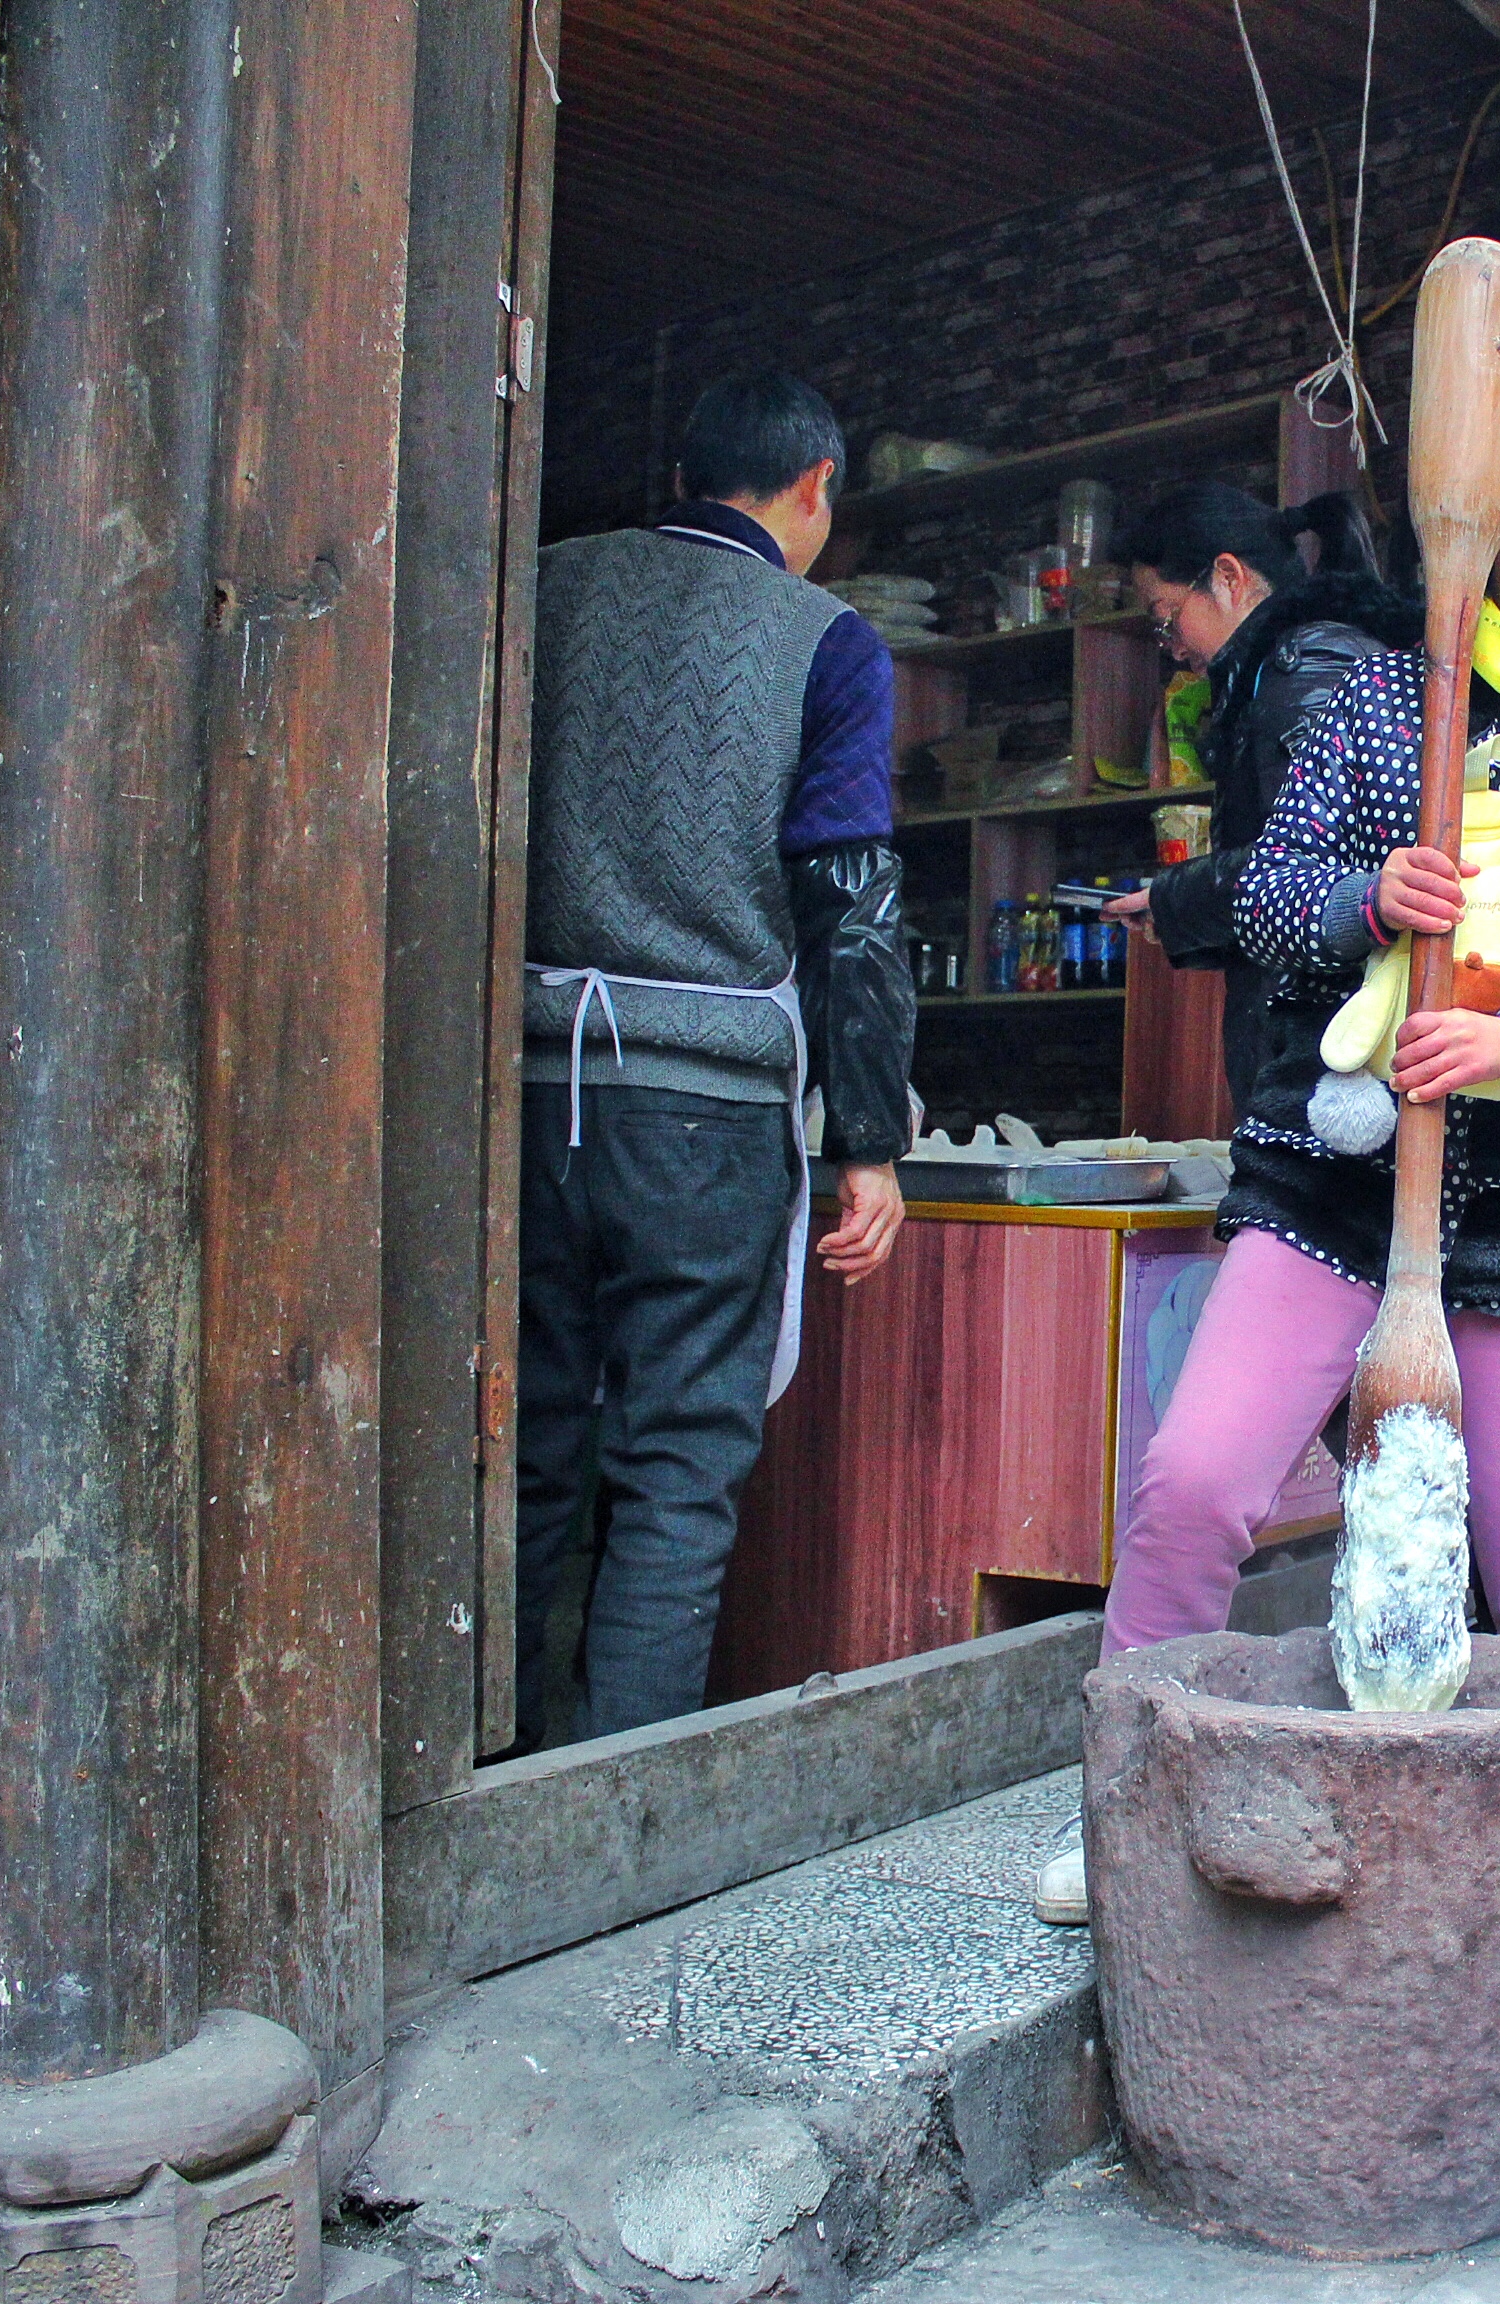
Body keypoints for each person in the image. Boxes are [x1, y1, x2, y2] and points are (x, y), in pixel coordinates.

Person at [1038, 411, 1500, 2058]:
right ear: (1483, 519)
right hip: (1333, 1186)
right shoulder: (1383, 700)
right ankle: (1127, 1817)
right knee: (1194, 1482)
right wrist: (1370, 901)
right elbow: (1266, 895)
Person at [511, 371, 917, 1749]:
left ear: (687, 474)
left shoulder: (540, 587)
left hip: (522, 1097)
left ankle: (487, 1779)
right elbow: (851, 900)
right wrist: (868, 1139)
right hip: (707, 1112)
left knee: (520, 1452)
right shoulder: (826, 639)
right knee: (678, 1472)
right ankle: (622, 1809)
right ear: (816, 487)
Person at [1104, 484, 1420, 1112]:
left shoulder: (1309, 667)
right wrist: (1175, 912)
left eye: (1166, 617)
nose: (1171, 646)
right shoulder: (1280, 669)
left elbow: (1313, 876)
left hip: (1331, 1055)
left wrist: (1176, 898)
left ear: (1228, 577)